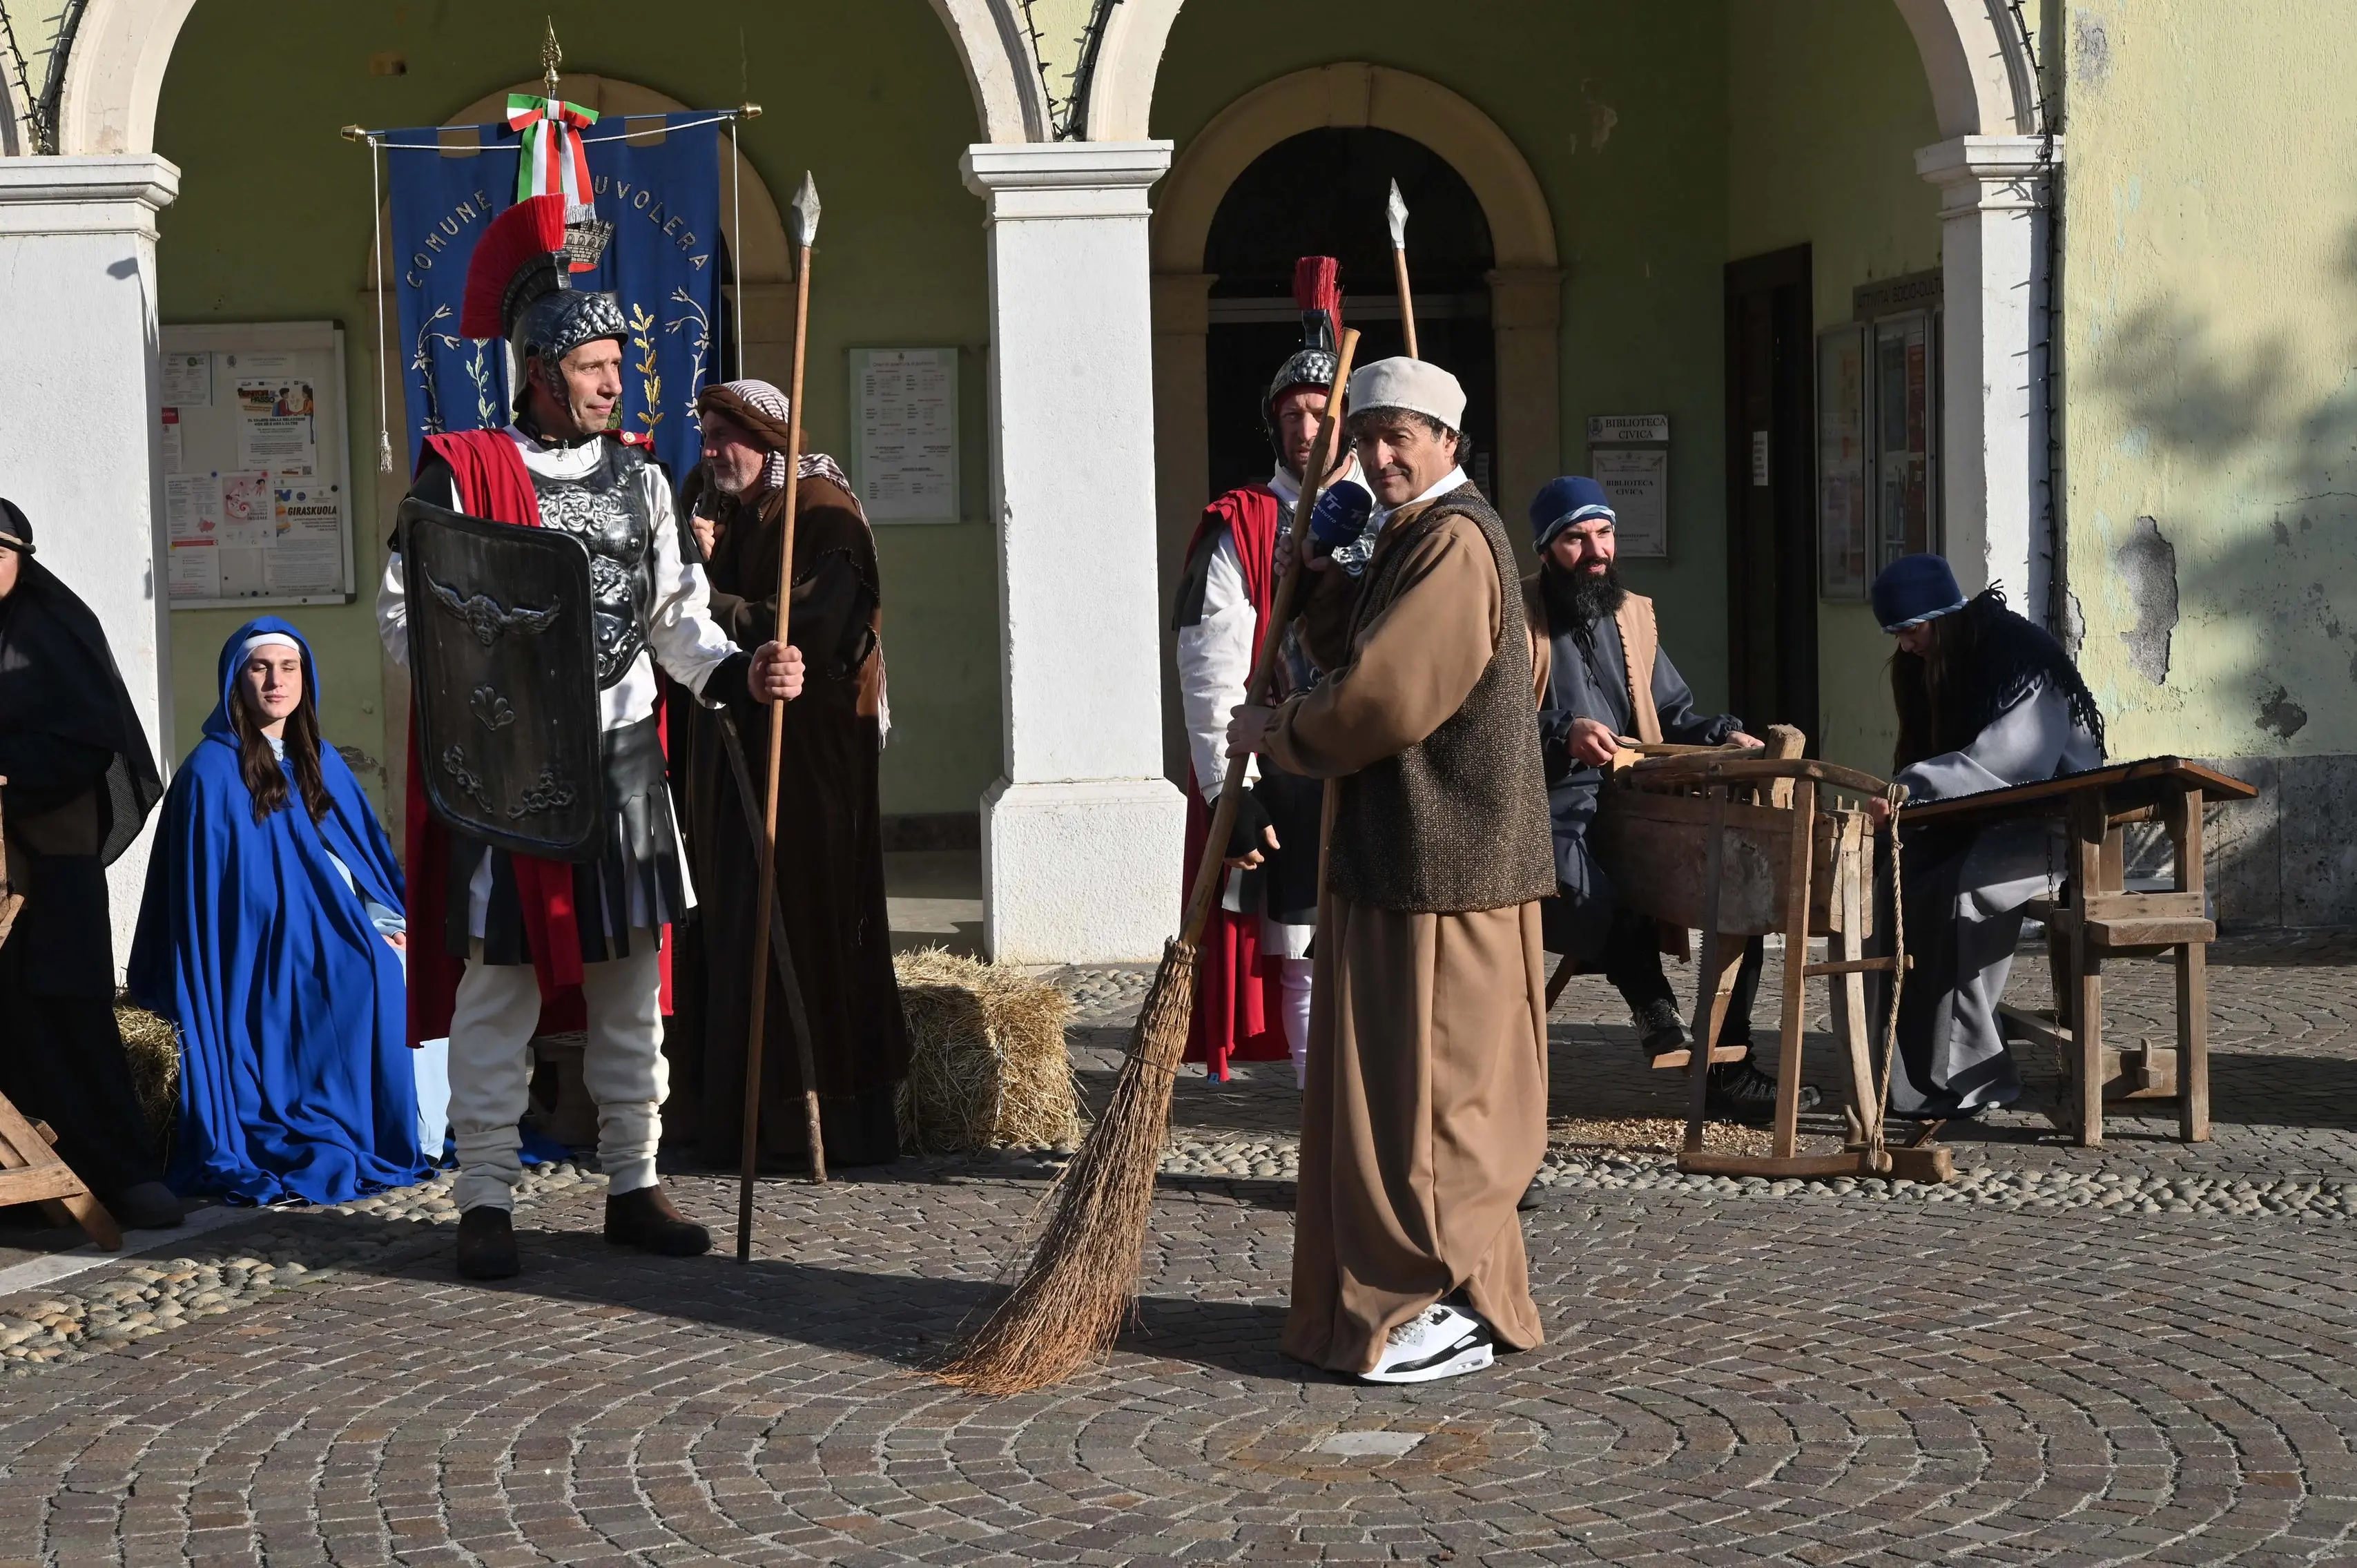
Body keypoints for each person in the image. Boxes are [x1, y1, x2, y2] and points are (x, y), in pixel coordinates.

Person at [379, 193, 804, 1279]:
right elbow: (406, 616)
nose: (617, 382)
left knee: (628, 982)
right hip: (512, 773)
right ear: (540, 367)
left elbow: (675, 621)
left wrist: (738, 669)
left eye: (621, 364)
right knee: (499, 990)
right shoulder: (461, 473)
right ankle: (483, 1195)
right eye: (595, 364)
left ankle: (633, 1179)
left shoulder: (646, 479)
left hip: (620, 765)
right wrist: (488, 692)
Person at [1228, 358, 1553, 1384]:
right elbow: (1356, 650)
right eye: (1367, 437)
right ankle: (1448, 1297)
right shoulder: (1407, 537)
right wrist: (1325, 582)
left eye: (1401, 433)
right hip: (1397, 857)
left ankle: (1436, 1301)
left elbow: (1384, 698)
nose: (1380, 452)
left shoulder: (1455, 543)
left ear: (1450, 440)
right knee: (1392, 1094)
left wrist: (1277, 729)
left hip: (1448, 865)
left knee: (1438, 1099)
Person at [665, 378, 910, 1169]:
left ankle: (814, 1125)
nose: (708, 452)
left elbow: (803, 630)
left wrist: (710, 594)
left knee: (800, 924)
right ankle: (736, 1118)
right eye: (704, 435)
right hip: (730, 757)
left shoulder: (823, 513)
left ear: (769, 440)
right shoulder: (727, 507)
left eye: (722, 437)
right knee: (735, 923)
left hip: (807, 767)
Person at [1520, 476, 1812, 1121]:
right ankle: (1652, 1001)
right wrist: (1562, 731)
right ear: (1545, 550)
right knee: (1574, 880)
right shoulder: (1515, 615)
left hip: (1639, 794)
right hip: (1552, 799)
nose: (1595, 551)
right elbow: (1490, 717)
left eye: (1603, 533)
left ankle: (1729, 1067)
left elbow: (1671, 711)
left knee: (1741, 882)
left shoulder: (1632, 612)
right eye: (1575, 538)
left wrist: (1722, 733)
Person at [130, 620, 429, 1205]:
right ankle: (356, 1127)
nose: (275, 681)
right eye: (259, 668)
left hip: (344, 923)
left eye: (288, 668)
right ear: (235, 682)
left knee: (395, 965)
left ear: (305, 679)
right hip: (263, 948)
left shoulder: (321, 760)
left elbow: (365, 860)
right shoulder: (209, 775)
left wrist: (389, 924)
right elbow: (217, 900)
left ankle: (421, 1131)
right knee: (366, 978)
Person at [1172, 256, 1366, 1086]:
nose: (1304, 427)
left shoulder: (1407, 519)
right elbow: (1209, 663)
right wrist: (1228, 791)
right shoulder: (1241, 525)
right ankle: (1318, 1122)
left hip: (1383, 758)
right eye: (1289, 415)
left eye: (1320, 411)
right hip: (1289, 758)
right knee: (1304, 955)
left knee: (1395, 957)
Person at [1863, 554, 2104, 1120]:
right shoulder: (1934, 660)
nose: (1905, 646)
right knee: (1892, 876)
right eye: (1896, 635)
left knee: (1960, 896)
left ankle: (1974, 1076)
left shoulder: (2019, 658)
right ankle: (1897, 1071)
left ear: (1942, 617)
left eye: (1912, 631)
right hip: (1977, 816)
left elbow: (2011, 765)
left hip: (2051, 826)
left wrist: (1907, 791)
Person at [0, 501, 180, 1232]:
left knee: (71, 1016)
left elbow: (86, 744)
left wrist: (8, 771)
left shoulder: (55, 635)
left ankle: (122, 1175)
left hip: (52, 867)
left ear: (23, 558)